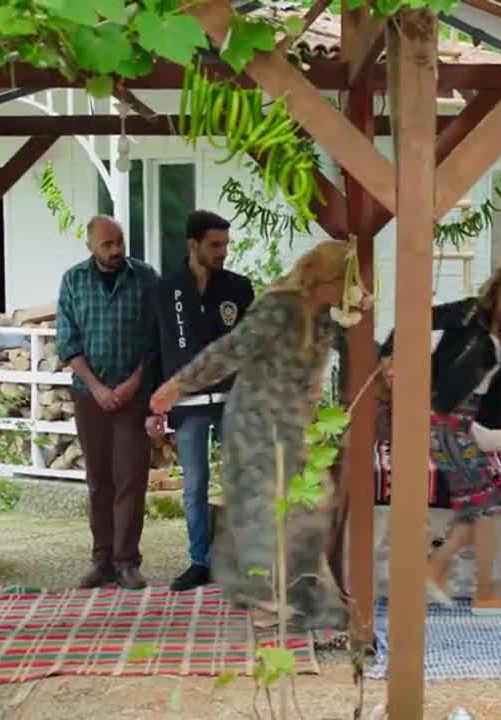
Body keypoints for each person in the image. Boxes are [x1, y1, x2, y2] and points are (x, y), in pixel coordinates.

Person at [150, 240, 369, 630]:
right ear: (327, 279)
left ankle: (300, 596)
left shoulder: (323, 315)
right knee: (267, 513)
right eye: (345, 284)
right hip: (256, 423)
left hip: (291, 423)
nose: (346, 292)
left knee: (310, 506)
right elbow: (229, 350)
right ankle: (268, 600)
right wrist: (178, 386)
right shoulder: (280, 307)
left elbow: (356, 346)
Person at [379, 263, 501, 616]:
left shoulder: (498, 338)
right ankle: (472, 584)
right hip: (442, 422)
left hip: (456, 426)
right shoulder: (468, 313)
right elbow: (412, 321)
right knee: (485, 503)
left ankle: (452, 574)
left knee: (478, 506)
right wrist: (388, 357)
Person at [147, 211, 254, 593]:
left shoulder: (238, 288)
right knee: (194, 484)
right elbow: (154, 350)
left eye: (226, 244)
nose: (223, 251)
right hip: (187, 405)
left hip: (232, 401)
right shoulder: (166, 289)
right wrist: (153, 407)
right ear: (193, 245)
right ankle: (199, 562)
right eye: (215, 244)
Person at [57, 216, 158, 591]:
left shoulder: (145, 278)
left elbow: (156, 338)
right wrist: (97, 388)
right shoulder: (73, 281)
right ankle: (102, 561)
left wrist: (134, 383)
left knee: (131, 478)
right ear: (90, 246)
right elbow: (68, 342)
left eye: (119, 242)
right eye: (107, 245)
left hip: (134, 395)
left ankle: (126, 561)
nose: (116, 250)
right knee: (99, 479)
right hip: (89, 396)